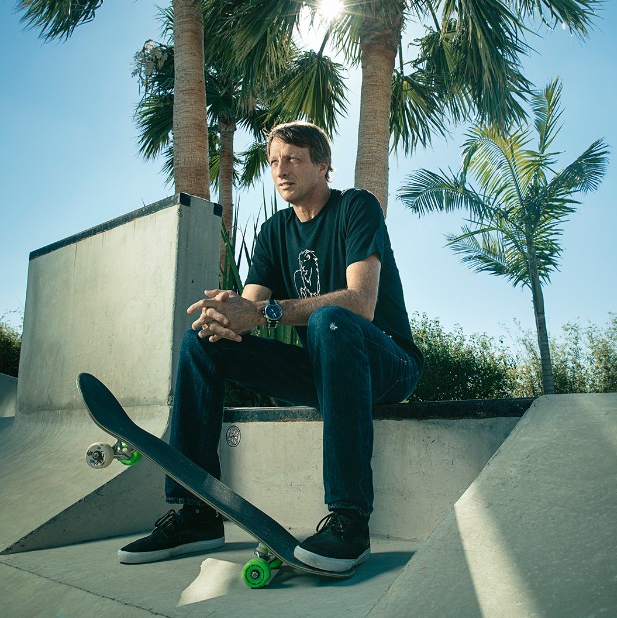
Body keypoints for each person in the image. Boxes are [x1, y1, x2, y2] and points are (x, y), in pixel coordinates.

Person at [118, 121, 423, 572]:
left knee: (331, 320)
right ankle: (196, 512)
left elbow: (361, 303)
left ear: (323, 166)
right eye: (275, 161)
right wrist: (227, 313)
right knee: (201, 343)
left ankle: (349, 522)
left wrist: (262, 312)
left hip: (388, 364)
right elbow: (249, 309)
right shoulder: (274, 231)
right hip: (324, 369)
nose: (281, 170)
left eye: (294, 159)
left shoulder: (356, 207)